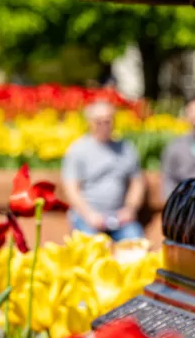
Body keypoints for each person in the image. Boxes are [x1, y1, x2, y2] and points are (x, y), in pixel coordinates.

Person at [61, 100, 146, 241]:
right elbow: (71, 189)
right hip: (87, 216)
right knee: (91, 251)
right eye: (98, 121)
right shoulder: (77, 149)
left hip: (120, 217)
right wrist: (89, 215)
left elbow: (137, 183)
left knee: (137, 245)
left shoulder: (126, 149)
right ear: (89, 122)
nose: (104, 126)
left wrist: (130, 209)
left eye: (108, 121)